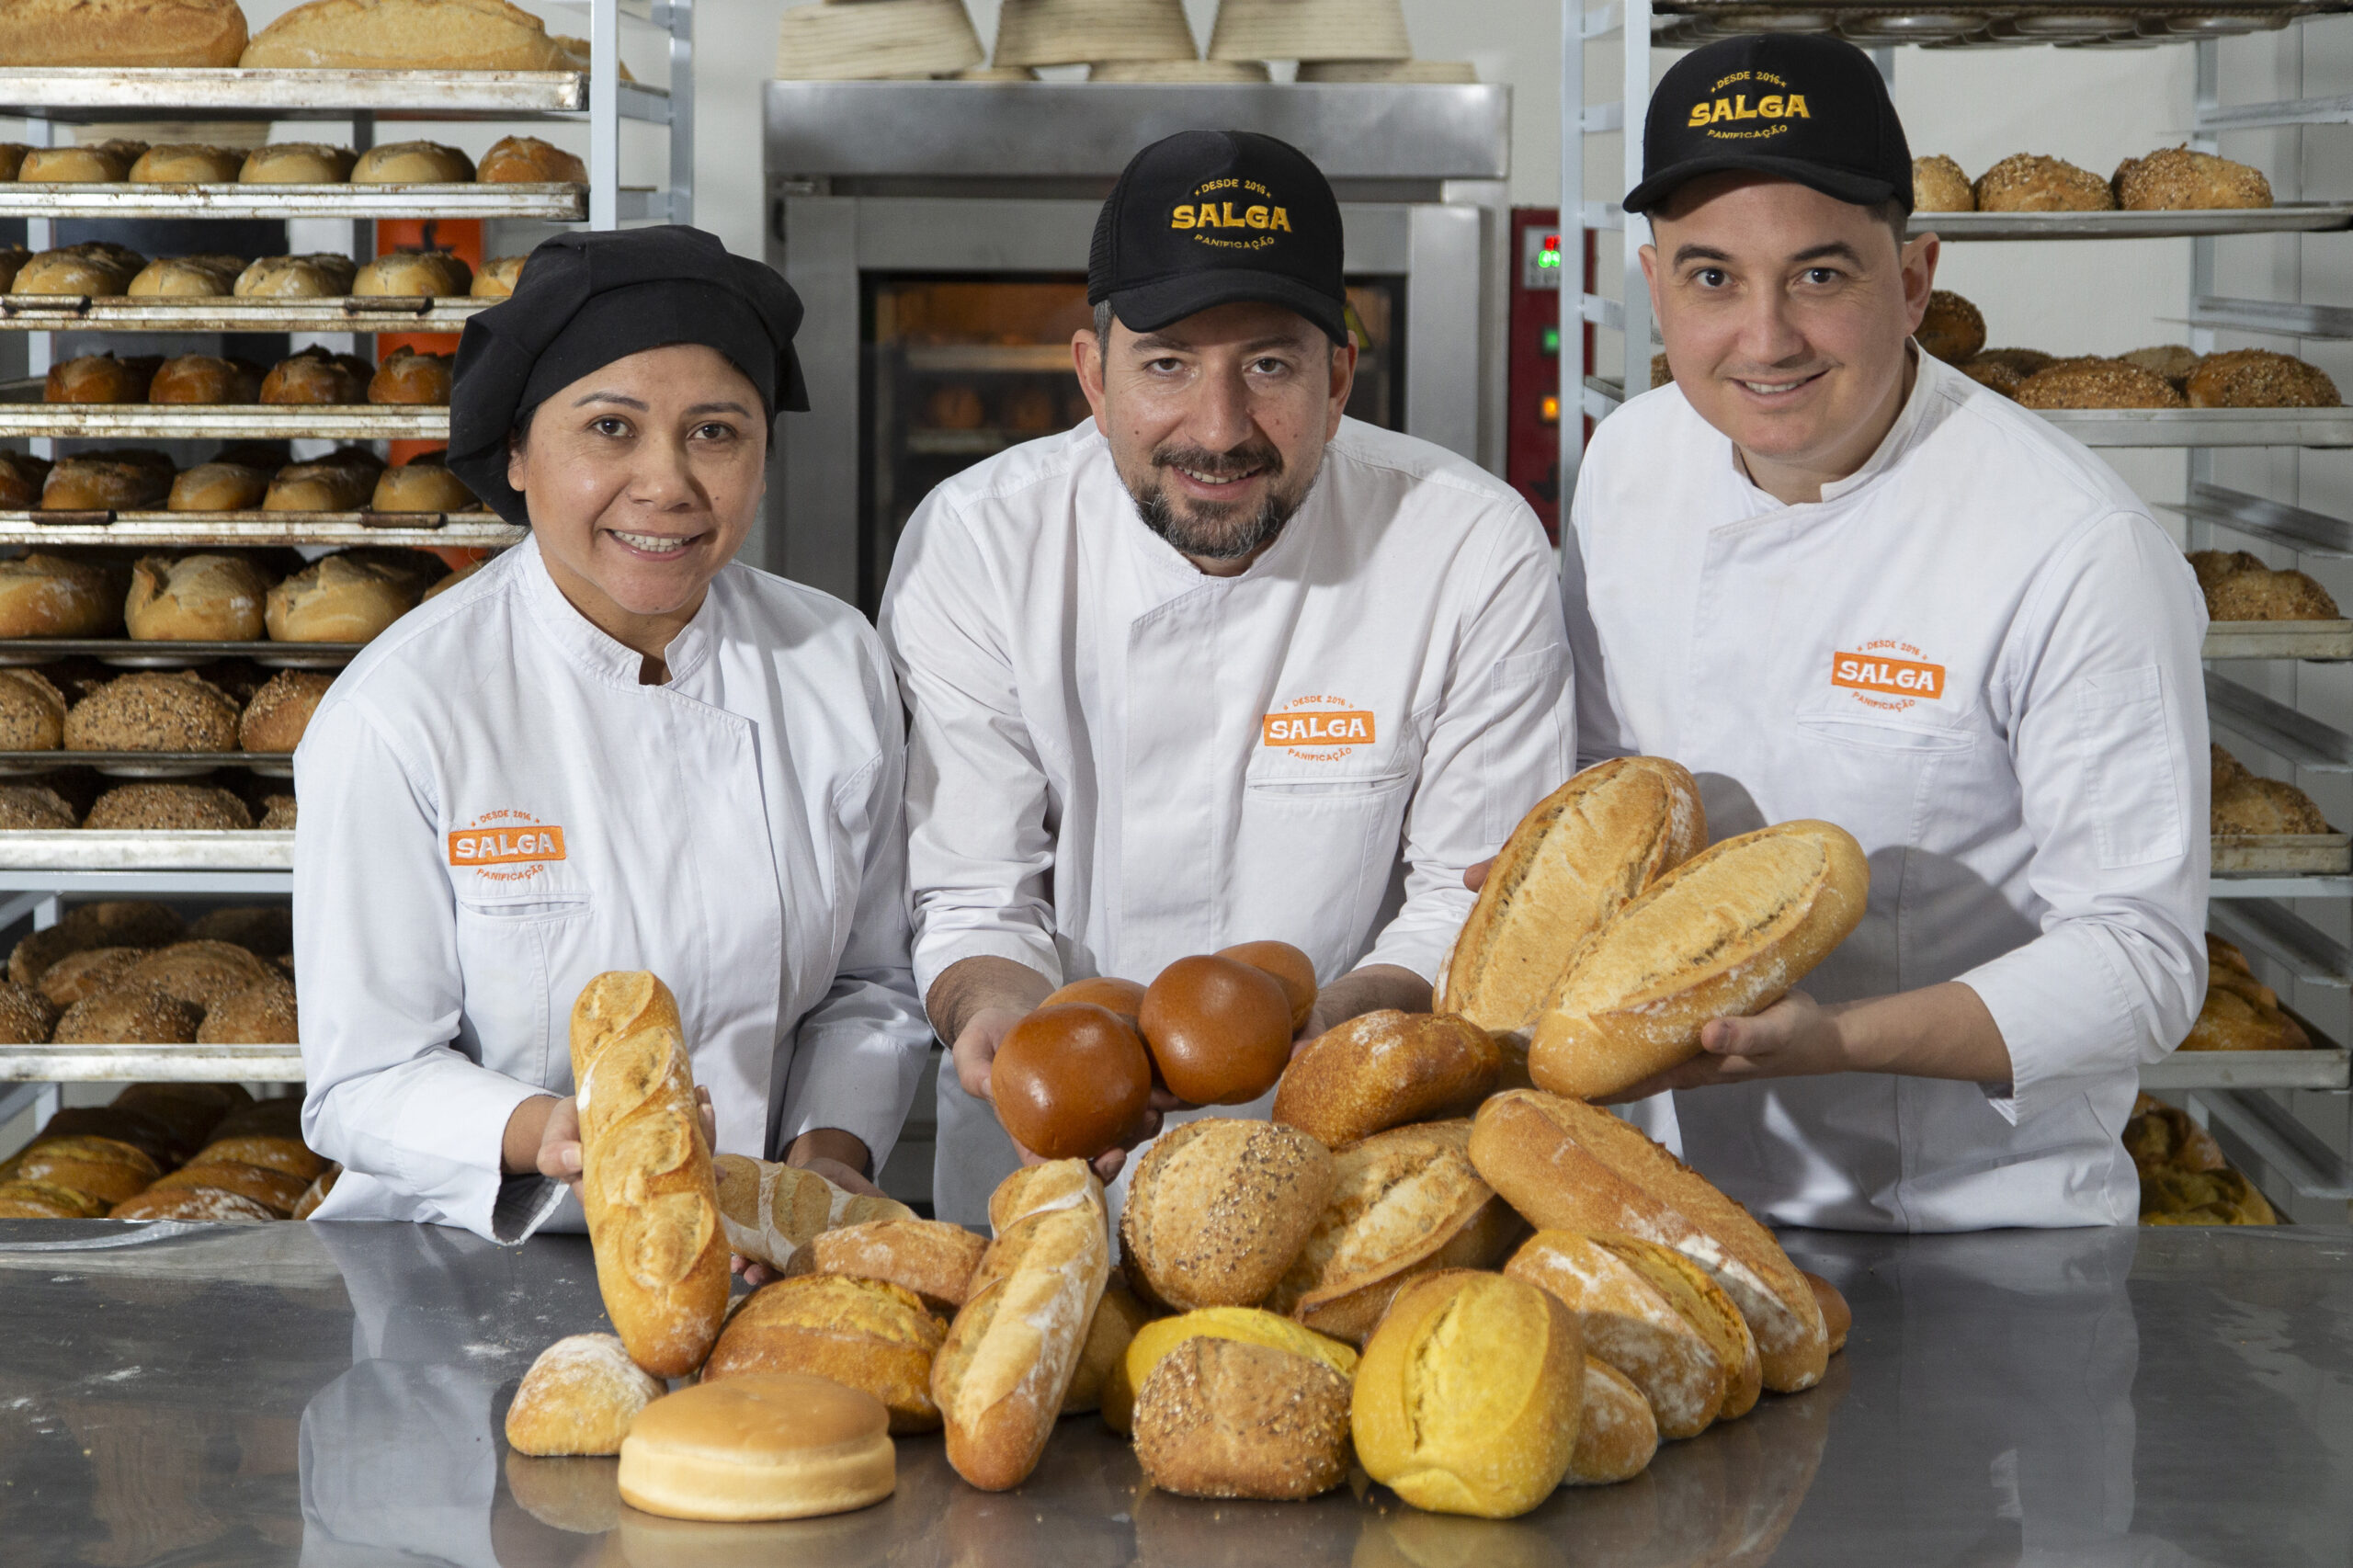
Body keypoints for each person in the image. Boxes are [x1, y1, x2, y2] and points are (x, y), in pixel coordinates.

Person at [1555, 33, 2207, 1228]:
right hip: (1662, 1199)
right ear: (1654, 285)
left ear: (1912, 280)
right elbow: (1618, 783)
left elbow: (2141, 961)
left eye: (1820, 275)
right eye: (1712, 278)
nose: (1765, 338)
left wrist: (1835, 1039)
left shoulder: (2071, 546)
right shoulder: (1629, 463)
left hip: (1971, 1223)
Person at [881, 131, 1573, 1225]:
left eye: (1268, 364)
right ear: (1090, 379)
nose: (1218, 427)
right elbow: (973, 886)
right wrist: (1000, 1007)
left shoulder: (1466, 545)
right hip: (1047, 1182)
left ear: (1339, 376)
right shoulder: (978, 543)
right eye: (1165, 363)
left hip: (1354, 1193)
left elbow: (1473, 899)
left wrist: (1329, 1033)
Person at [294, 226, 931, 1241]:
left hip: (753, 1249)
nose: (667, 482)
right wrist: (550, 1128)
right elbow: (364, 1079)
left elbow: (870, 981)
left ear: (762, 457)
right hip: (464, 1266)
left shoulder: (832, 662)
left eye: (716, 432)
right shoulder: (405, 710)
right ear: (516, 450)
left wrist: (828, 1155)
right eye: (609, 428)